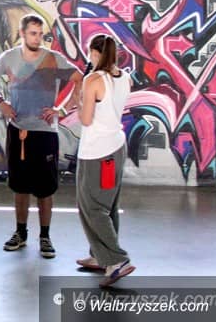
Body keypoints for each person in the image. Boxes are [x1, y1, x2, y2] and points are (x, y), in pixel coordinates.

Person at [0, 13, 82, 259]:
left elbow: (78, 78)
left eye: (41, 34)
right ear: (22, 33)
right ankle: (21, 233)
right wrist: (1, 103)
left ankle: (45, 237)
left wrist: (61, 109)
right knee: (20, 187)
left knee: (45, 190)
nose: (38, 38)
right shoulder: (9, 58)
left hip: (45, 133)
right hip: (18, 132)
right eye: (33, 33)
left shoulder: (53, 59)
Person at [75, 34, 135, 287]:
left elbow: (85, 119)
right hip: (115, 148)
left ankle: (116, 259)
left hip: (96, 153)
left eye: (90, 52)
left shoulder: (93, 80)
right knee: (107, 205)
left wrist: (79, 100)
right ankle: (100, 256)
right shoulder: (124, 77)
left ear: (96, 53)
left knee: (92, 207)